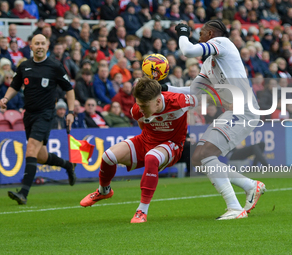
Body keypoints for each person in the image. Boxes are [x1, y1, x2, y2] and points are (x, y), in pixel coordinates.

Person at [161, 20, 266, 220]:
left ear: (210, 34)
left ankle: (234, 208)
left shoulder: (223, 43)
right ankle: (250, 186)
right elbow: (192, 91)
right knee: (197, 158)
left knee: (206, 154)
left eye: (200, 34)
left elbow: (189, 51)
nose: (199, 37)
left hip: (245, 110)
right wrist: (163, 88)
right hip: (233, 113)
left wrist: (182, 33)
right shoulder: (209, 64)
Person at [80, 76, 197, 223]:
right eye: (139, 105)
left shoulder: (180, 101)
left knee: (152, 157)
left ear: (158, 101)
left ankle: (142, 211)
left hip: (172, 144)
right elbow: (142, 124)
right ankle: (104, 191)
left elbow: (205, 96)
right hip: (146, 140)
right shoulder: (138, 108)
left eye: (144, 106)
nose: (140, 109)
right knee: (108, 156)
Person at [0, 34, 76, 205]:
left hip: (45, 114)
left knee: (31, 149)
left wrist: (71, 111)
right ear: (31, 47)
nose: (40, 46)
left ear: (47, 46)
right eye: (37, 44)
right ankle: (68, 165)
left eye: (43, 43)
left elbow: (69, 90)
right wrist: (5, 98)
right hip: (29, 115)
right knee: (40, 156)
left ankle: (24, 193)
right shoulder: (24, 66)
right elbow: (15, 85)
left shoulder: (55, 66)